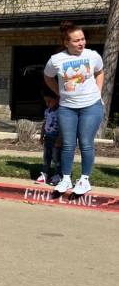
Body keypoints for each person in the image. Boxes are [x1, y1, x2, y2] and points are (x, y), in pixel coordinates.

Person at [43, 21, 104, 195]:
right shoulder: (56, 60)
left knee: (85, 143)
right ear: (66, 42)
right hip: (67, 108)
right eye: (76, 40)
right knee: (68, 144)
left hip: (91, 106)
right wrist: (59, 93)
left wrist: (98, 93)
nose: (81, 43)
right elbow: (48, 77)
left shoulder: (92, 55)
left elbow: (100, 72)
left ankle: (84, 180)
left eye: (83, 39)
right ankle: (66, 179)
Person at [36, 89, 61, 186]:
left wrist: (60, 138)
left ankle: (57, 175)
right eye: (46, 101)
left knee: (57, 159)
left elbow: (63, 127)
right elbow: (44, 124)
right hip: (48, 138)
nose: (47, 103)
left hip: (57, 139)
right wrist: (41, 136)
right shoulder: (47, 111)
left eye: (49, 101)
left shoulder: (61, 112)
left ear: (57, 99)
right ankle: (44, 174)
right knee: (46, 158)